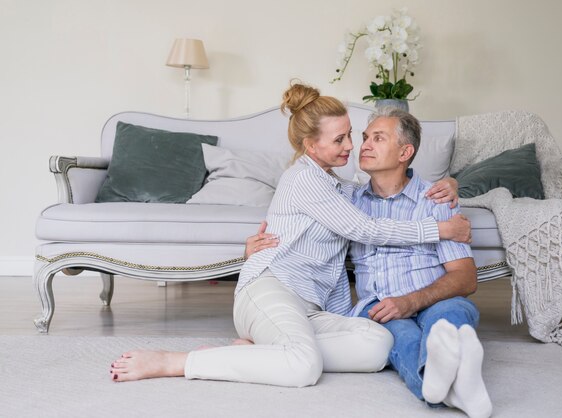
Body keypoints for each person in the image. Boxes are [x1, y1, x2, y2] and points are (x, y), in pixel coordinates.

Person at [108, 82, 470, 386]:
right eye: (342, 139)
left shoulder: (340, 187)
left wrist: (450, 182)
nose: (352, 147)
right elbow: (365, 228)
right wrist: (439, 228)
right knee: (303, 367)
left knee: (377, 344)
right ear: (312, 146)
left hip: (309, 306)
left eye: (350, 136)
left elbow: (384, 190)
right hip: (272, 287)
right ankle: (178, 362)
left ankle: (257, 352)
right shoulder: (304, 178)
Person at [249, 108, 492, 418]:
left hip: (433, 296)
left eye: (378, 138)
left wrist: (412, 300)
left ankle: (444, 383)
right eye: (364, 137)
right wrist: (261, 245)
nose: (362, 145)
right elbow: (303, 220)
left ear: (406, 152)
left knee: (450, 315)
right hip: (379, 306)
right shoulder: (348, 200)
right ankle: (457, 385)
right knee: (399, 336)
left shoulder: (436, 199)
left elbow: (466, 279)